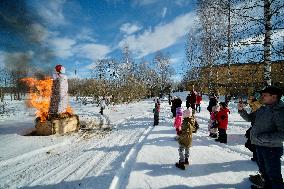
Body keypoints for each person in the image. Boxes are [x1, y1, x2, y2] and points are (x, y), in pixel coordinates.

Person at [238, 86, 284, 189]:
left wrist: (263, 138)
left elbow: (282, 134)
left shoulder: (280, 112)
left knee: (274, 176)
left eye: (264, 95)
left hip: (272, 149)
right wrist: (241, 110)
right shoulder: (263, 108)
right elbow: (249, 118)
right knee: (264, 172)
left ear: (274, 97)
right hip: (259, 146)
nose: (261, 97)